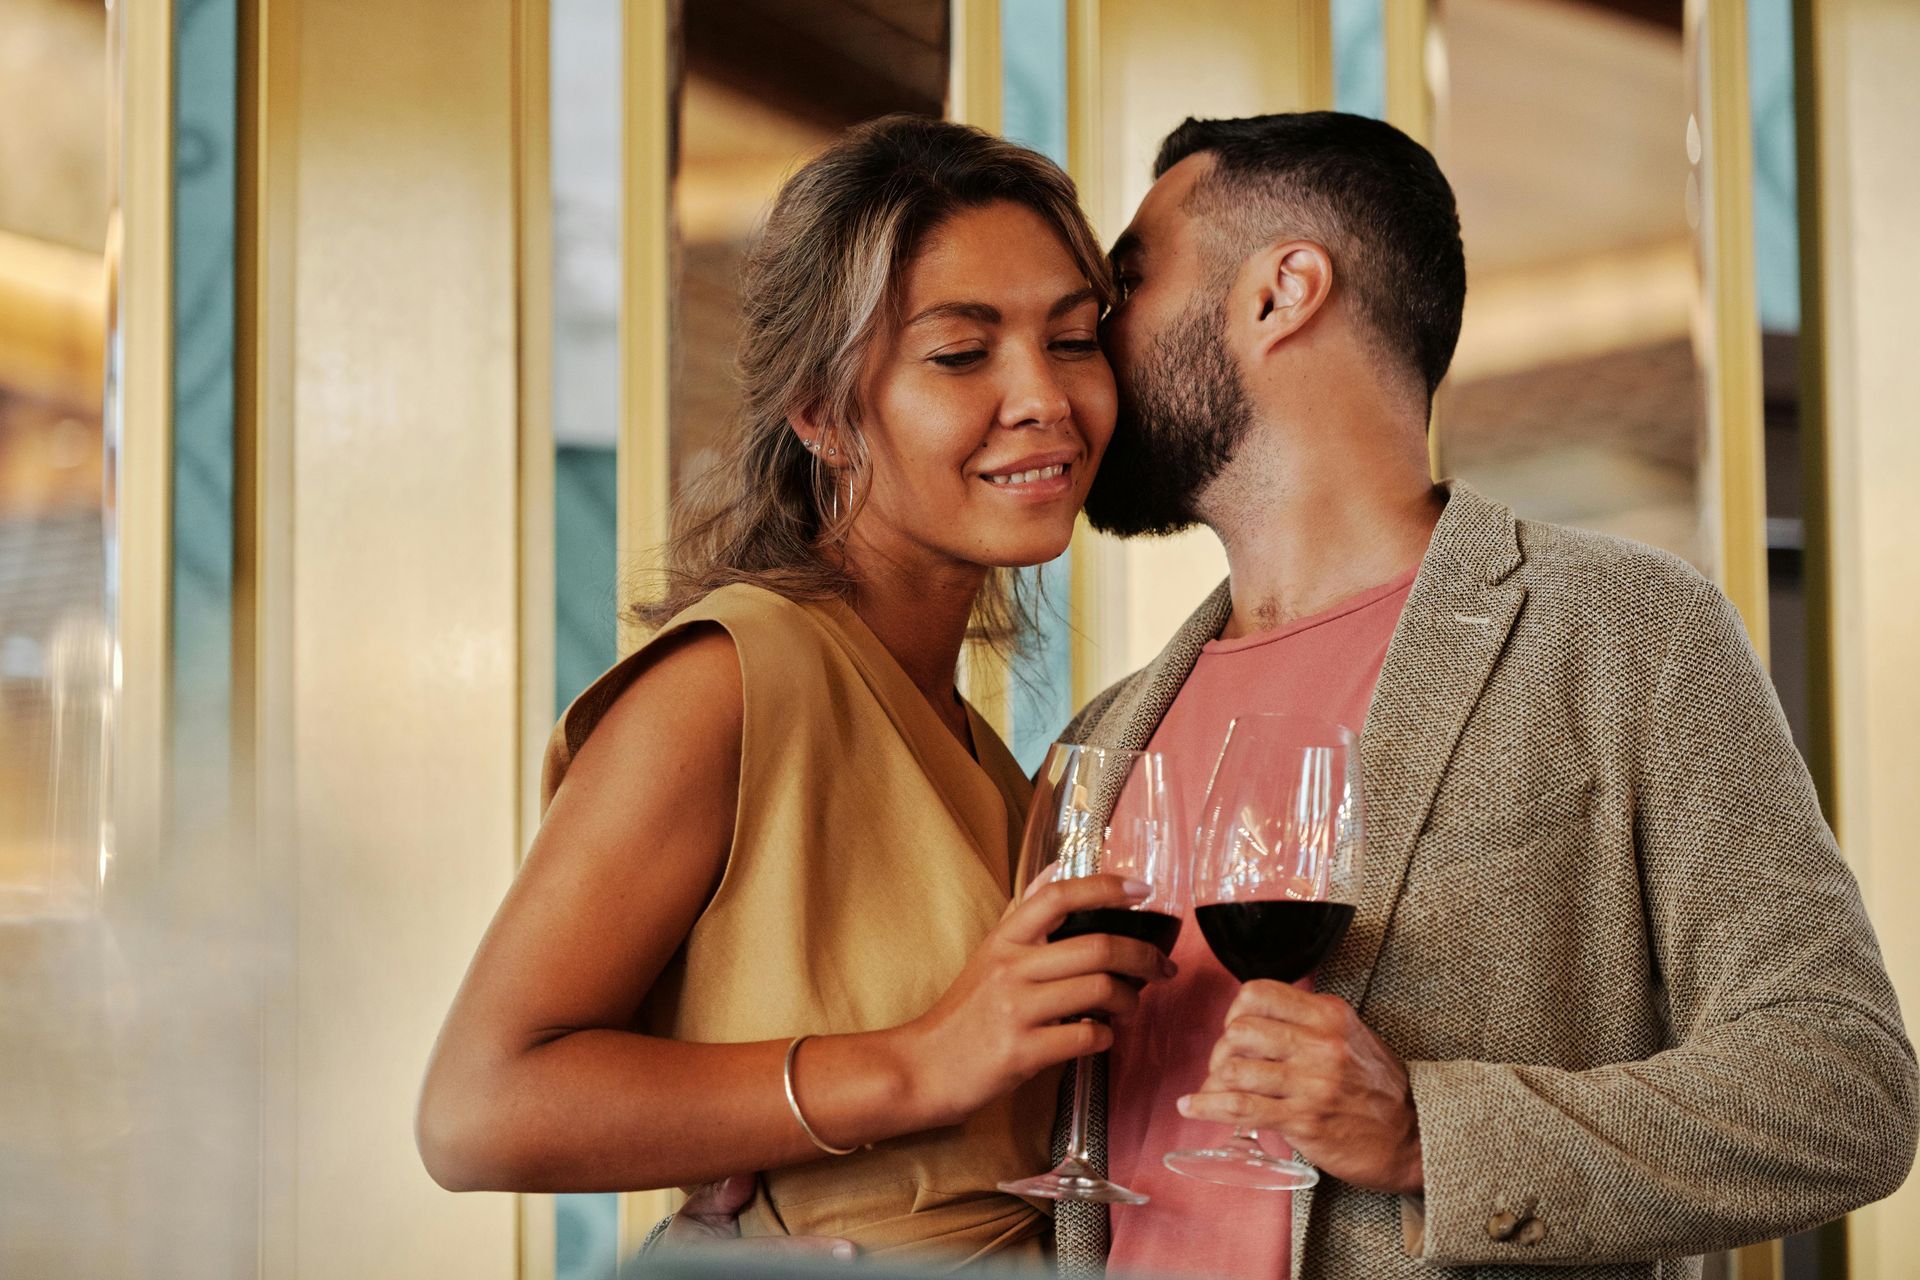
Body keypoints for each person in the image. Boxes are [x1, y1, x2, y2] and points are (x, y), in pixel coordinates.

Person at [666, 111, 1920, 1278]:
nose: (1085, 347)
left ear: (1280, 290)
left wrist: (1431, 1130)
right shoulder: (1098, 744)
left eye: (1127, 285)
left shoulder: (1620, 631)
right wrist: (770, 1182)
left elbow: (1842, 1085)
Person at [415, 114, 1179, 1270]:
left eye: (1072, 339)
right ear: (820, 412)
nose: (1045, 397)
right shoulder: (731, 678)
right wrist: (918, 1060)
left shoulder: (974, 744)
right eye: (962, 354)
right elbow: (476, 1107)